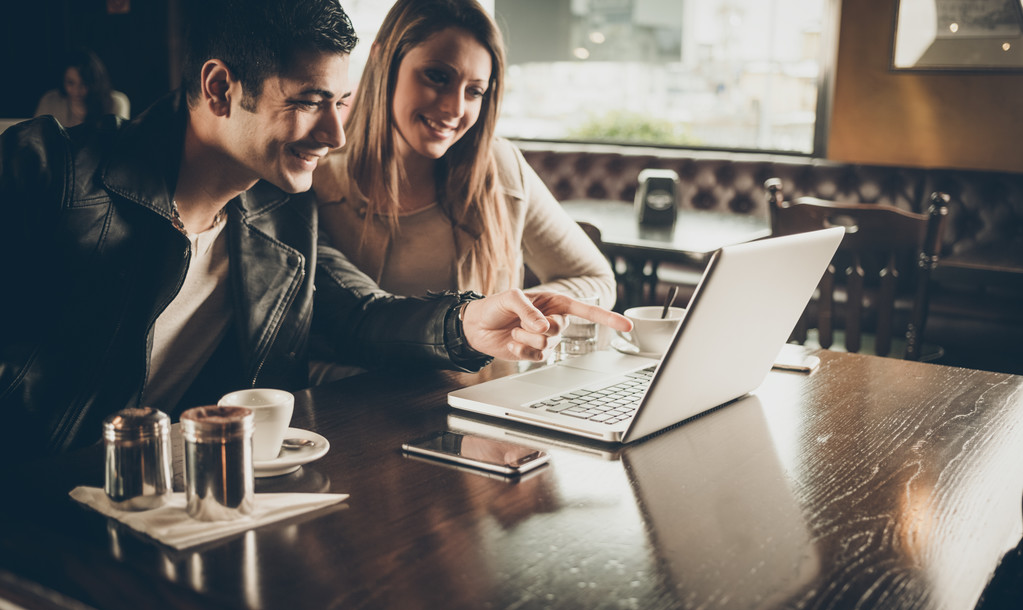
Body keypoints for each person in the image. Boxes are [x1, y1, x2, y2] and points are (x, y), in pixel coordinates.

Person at [0, 0, 629, 457]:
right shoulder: (48, 173)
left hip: (176, 502)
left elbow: (359, 317)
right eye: (308, 102)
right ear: (221, 88)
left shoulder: (276, 209)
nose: (334, 136)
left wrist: (470, 322)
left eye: (342, 103)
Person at [312, 0, 615, 380]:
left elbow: (596, 279)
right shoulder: (315, 176)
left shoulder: (500, 169)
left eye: (474, 92)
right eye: (437, 77)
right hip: (364, 417)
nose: (454, 107)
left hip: (488, 412)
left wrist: (514, 310)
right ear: (381, 60)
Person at [34, 48, 131, 127]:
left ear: (95, 81)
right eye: (70, 83)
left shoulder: (116, 102)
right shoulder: (50, 101)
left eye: (84, 83)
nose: (77, 90)